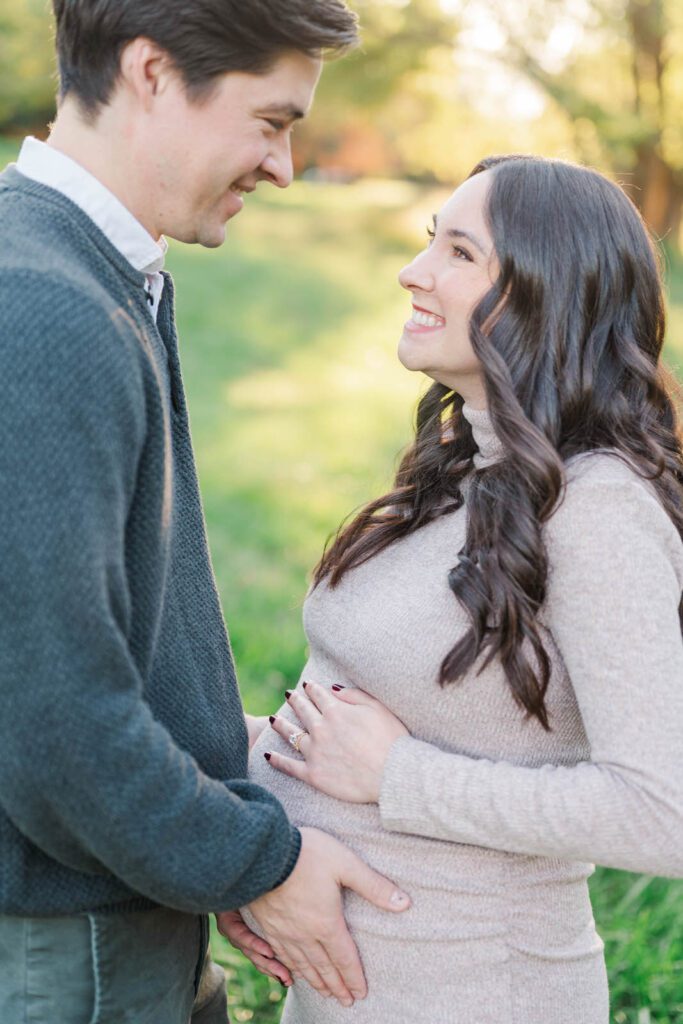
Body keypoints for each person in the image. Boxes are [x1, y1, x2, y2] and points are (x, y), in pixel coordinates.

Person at [0, 3, 412, 1022]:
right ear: (149, 74)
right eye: (271, 121)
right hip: (73, 946)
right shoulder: (44, 307)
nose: (282, 165)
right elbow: (52, 716)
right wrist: (254, 860)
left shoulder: (98, 275)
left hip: (117, 905)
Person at [246, 155, 683, 1023]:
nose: (413, 273)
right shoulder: (463, 476)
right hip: (351, 992)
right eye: (426, 244)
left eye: (456, 252)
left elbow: (660, 811)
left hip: (477, 993)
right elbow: (337, 722)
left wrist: (399, 776)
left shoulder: (596, 509)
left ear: (541, 291)